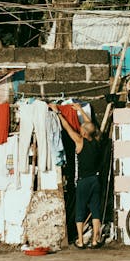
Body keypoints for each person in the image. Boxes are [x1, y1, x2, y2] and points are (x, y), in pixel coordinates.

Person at [50, 102, 104, 249]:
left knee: (80, 210)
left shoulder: (80, 142)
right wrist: (80, 110)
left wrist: (58, 113)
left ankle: (80, 240)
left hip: (83, 182)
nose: (80, 130)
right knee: (95, 210)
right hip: (96, 180)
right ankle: (95, 240)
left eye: (81, 130)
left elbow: (67, 128)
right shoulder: (98, 140)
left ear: (85, 134)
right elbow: (90, 124)